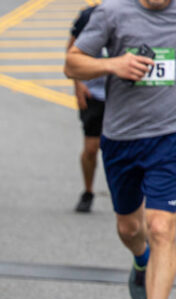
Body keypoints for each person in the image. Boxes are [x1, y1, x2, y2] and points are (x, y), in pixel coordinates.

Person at [65, 0, 176, 299]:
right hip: (122, 140)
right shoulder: (111, 13)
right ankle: (141, 258)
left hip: (172, 137)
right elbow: (72, 63)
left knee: (161, 226)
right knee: (129, 228)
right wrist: (112, 64)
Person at [67, 5, 105, 213]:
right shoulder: (90, 16)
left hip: (127, 96)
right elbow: (71, 52)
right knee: (91, 148)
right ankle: (88, 191)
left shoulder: (141, 13)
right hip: (94, 93)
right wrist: (78, 84)